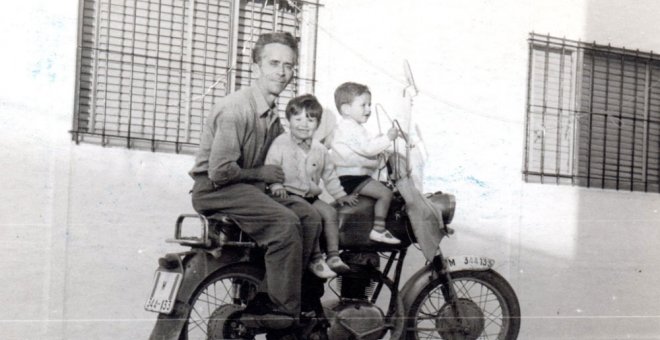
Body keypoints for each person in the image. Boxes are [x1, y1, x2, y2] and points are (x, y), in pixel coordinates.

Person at [188, 32, 321, 325]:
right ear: (255, 67)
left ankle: (279, 296)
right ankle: (281, 313)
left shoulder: (272, 113)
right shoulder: (237, 108)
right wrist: (261, 174)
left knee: (310, 216)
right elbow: (220, 171)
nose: (282, 72)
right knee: (284, 223)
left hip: (249, 189)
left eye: (288, 65)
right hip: (216, 190)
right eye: (274, 63)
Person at [265, 94, 357, 279]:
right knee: (312, 215)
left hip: (309, 196)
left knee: (330, 213)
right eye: (297, 119)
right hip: (287, 194)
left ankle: (333, 256)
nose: (303, 124)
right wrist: (275, 185)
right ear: (289, 120)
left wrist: (340, 196)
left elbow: (329, 175)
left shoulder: (320, 149)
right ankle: (315, 259)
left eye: (310, 119)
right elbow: (271, 166)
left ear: (317, 123)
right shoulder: (281, 143)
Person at [330, 82, 402, 245]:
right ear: (346, 109)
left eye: (369, 104)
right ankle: (378, 230)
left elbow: (366, 147)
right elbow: (368, 149)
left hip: (352, 176)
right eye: (363, 105)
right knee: (386, 193)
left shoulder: (353, 127)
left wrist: (380, 141)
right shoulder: (350, 128)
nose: (369, 109)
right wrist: (387, 139)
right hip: (352, 177)